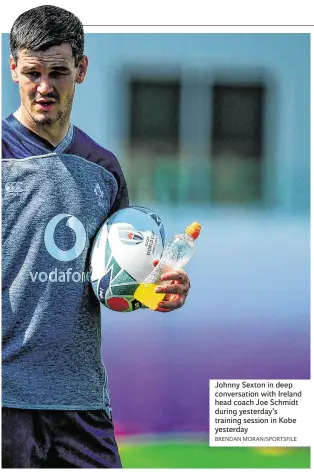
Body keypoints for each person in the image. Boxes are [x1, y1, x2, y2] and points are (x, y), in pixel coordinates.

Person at [2, 5, 191, 469]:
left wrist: (156, 293)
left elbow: (113, 283)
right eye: (32, 73)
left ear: (81, 70)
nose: (44, 87)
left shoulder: (103, 169)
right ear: (13, 69)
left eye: (58, 73)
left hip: (80, 401)